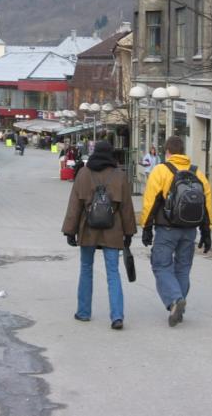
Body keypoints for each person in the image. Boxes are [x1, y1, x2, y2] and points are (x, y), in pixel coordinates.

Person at [62, 141, 136, 330]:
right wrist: (128, 233)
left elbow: (74, 205)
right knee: (113, 272)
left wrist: (70, 231)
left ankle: (84, 312)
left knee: (86, 268)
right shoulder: (119, 176)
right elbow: (127, 208)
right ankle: (117, 316)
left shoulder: (84, 173)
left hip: (88, 228)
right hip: (113, 228)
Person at [141, 135, 212, 327]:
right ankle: (178, 303)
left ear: (168, 152)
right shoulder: (197, 173)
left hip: (167, 228)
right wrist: (207, 231)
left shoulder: (161, 171)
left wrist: (146, 228)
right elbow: (207, 203)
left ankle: (175, 300)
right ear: (183, 152)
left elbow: (151, 202)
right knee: (183, 267)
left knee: (161, 265)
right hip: (190, 230)